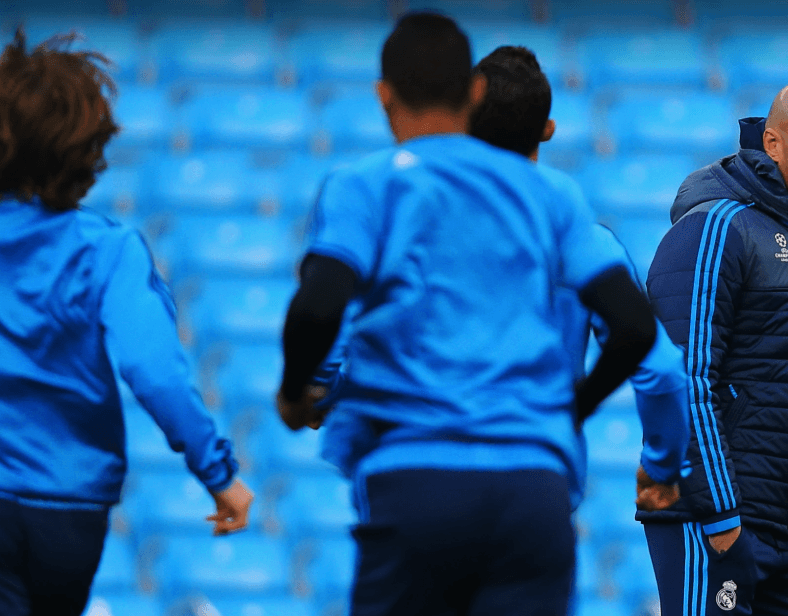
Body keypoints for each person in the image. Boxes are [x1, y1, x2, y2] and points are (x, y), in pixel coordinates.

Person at [0, 30, 251, 616]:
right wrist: (218, 474)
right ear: (87, 150)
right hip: (71, 516)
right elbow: (155, 371)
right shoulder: (111, 250)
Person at [275, 14, 664, 616]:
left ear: (383, 94)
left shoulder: (366, 186)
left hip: (415, 477)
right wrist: (570, 410)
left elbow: (319, 304)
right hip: (533, 487)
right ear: (473, 91)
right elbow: (635, 327)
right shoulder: (551, 195)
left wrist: (295, 393)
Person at [641, 80, 788, 616]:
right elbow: (686, 379)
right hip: (717, 521)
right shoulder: (715, 228)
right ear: (774, 143)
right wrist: (720, 515)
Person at [467, 44, 689, 512]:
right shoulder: (587, 245)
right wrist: (662, 466)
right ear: (547, 130)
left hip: (433, 477)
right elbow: (663, 371)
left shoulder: (418, 232)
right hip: (539, 474)